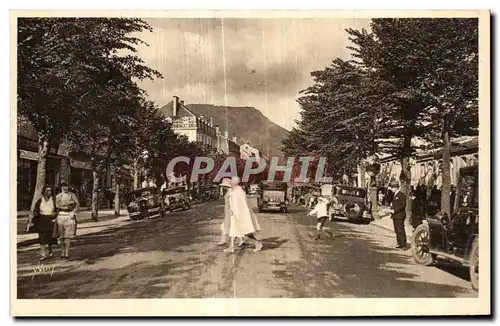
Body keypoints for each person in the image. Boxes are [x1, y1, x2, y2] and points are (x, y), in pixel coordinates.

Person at [225, 176, 263, 253]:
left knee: (246, 232)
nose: (230, 182)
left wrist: (236, 213)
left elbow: (241, 204)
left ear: (235, 182)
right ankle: (231, 247)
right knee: (234, 230)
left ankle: (257, 243)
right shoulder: (234, 190)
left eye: (231, 181)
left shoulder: (238, 191)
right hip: (235, 214)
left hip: (240, 215)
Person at [32, 185, 58, 260]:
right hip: (42, 220)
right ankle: (43, 254)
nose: (49, 192)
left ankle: (50, 251)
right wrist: (36, 214)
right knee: (42, 237)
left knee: (50, 237)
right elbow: (35, 211)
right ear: (44, 192)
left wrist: (55, 214)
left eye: (50, 190)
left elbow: (57, 210)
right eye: (47, 190)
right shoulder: (40, 201)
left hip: (50, 220)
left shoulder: (53, 200)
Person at [55, 181, 80, 259]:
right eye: (62, 187)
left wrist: (73, 212)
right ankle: (62, 252)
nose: (64, 188)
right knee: (61, 236)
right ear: (60, 188)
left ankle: (67, 253)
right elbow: (57, 205)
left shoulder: (72, 195)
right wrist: (68, 203)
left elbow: (77, 204)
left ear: (68, 187)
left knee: (67, 236)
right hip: (61, 215)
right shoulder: (58, 196)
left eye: (65, 186)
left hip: (69, 215)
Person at [388, 181, 409, 250]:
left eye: (393, 188)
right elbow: (395, 204)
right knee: (397, 230)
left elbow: (402, 205)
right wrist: (391, 208)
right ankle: (399, 243)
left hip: (400, 215)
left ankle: (404, 245)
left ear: (396, 188)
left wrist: (395, 210)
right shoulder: (395, 195)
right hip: (395, 215)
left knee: (400, 230)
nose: (392, 189)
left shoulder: (401, 195)